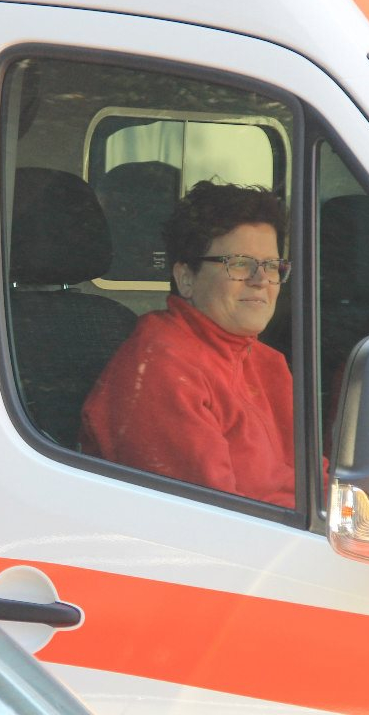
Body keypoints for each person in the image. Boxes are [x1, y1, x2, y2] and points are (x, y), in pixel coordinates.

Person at [79, 181, 295, 507]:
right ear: (186, 279)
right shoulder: (162, 368)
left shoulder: (267, 363)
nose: (261, 280)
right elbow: (213, 517)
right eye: (239, 263)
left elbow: (314, 480)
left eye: (272, 266)